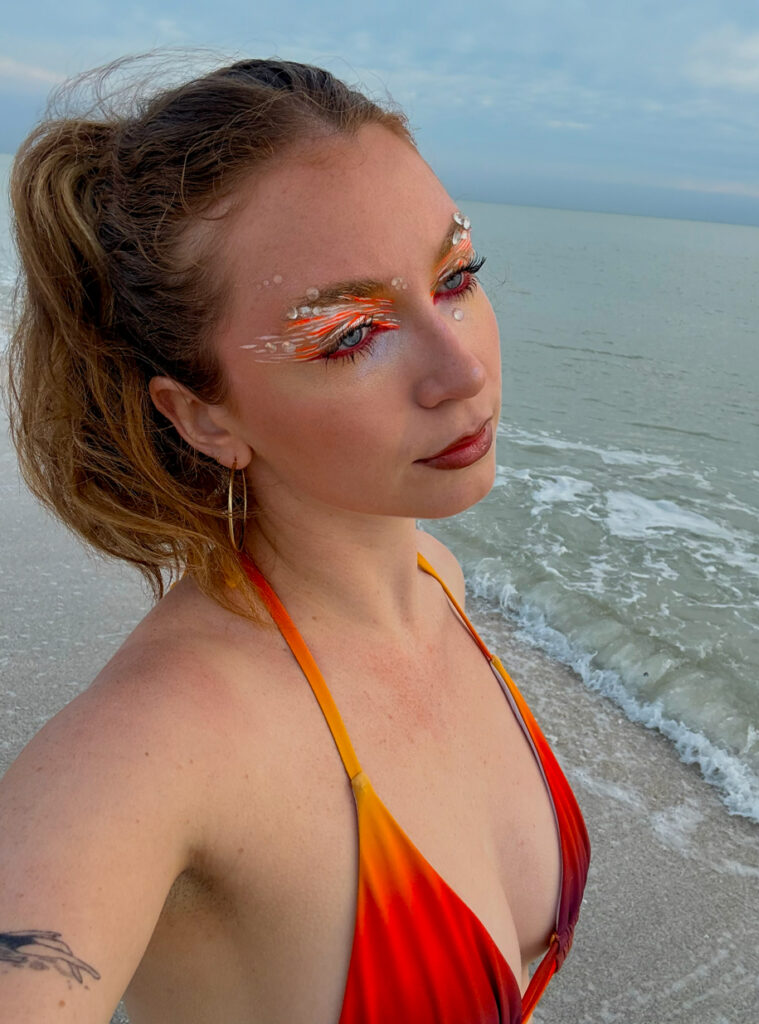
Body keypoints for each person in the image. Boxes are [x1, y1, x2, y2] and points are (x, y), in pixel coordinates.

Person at [1, 58, 589, 1024]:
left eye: (455, 277)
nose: (461, 371)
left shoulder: (436, 580)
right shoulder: (151, 748)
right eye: (350, 333)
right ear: (203, 417)